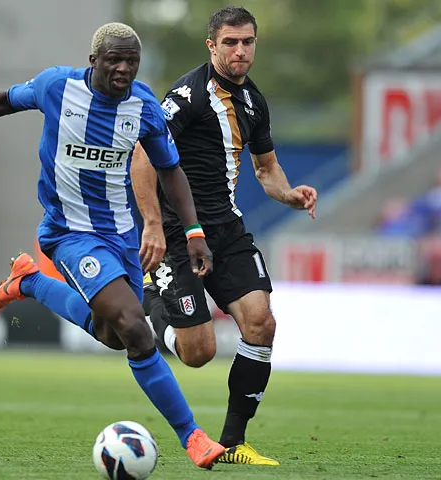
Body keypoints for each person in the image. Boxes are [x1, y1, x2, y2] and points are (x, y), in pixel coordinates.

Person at [0, 22, 226, 470]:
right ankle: (192, 435)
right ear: (94, 60)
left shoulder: (144, 107)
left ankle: (30, 283)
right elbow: (4, 101)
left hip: (120, 236)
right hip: (69, 234)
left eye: (132, 61)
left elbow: (170, 170)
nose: (123, 69)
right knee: (136, 328)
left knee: (113, 335)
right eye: (114, 60)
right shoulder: (57, 87)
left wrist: (194, 231)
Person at [131, 7, 318, 466]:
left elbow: (266, 168)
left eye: (247, 42)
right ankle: (151, 299)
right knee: (198, 353)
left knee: (261, 323)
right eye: (230, 42)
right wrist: (152, 224)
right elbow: (143, 154)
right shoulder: (188, 95)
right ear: (211, 46)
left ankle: (233, 442)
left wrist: (290, 195)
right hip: (178, 233)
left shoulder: (253, 101)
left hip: (227, 231)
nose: (240, 50)